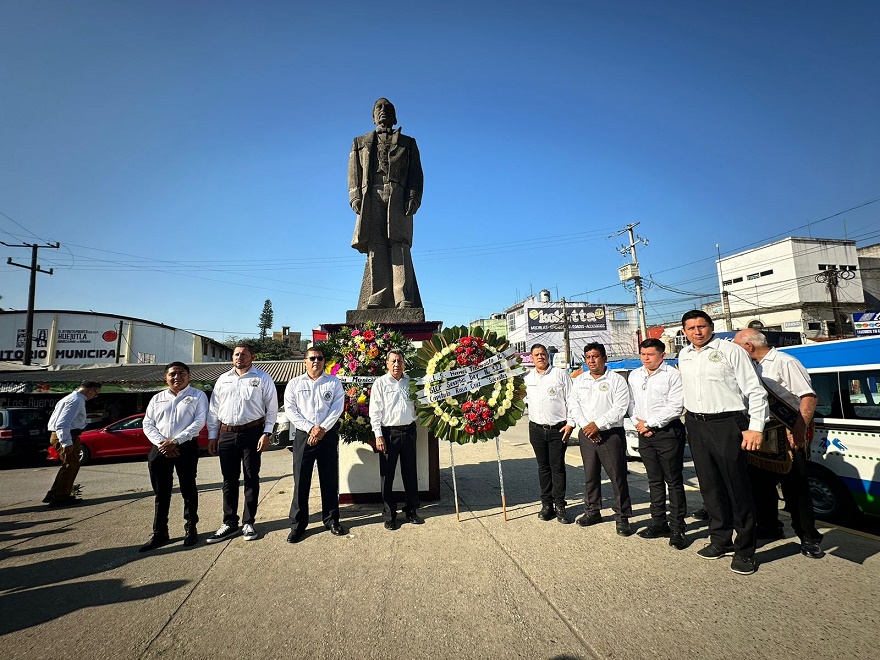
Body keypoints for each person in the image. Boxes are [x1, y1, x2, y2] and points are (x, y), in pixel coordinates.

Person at [678, 311, 768, 575]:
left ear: (711, 327)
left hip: (727, 424)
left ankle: (745, 550)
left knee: (736, 488)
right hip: (696, 424)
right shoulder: (685, 355)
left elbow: (755, 390)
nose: (697, 331)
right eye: (691, 328)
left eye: (701, 326)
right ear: (684, 331)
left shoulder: (731, 351)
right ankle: (719, 540)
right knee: (710, 487)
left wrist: (755, 428)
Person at [733, 329, 824, 559]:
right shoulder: (750, 367)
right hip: (761, 434)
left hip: (787, 433)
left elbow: (808, 396)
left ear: (749, 346)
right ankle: (769, 527)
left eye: (736, 347)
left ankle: (808, 538)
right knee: (760, 488)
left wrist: (799, 429)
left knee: (796, 491)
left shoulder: (785, 362)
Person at [349, 97, 424, 309]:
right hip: (370, 195)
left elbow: (416, 175)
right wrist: (355, 195)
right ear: (373, 116)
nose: (383, 110)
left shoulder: (408, 143)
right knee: (376, 245)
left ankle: (402, 297)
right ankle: (379, 295)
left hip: (398, 195)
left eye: (387, 107)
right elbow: (354, 172)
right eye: (378, 107)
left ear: (394, 116)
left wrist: (413, 196)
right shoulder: (360, 142)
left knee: (399, 244)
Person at [206, 343, 278, 543]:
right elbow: (213, 410)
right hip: (226, 434)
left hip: (252, 433)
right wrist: (213, 435)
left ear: (252, 357)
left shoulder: (262, 378)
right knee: (228, 480)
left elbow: (272, 409)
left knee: (250, 477)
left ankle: (248, 522)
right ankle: (229, 522)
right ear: (232, 357)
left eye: (244, 354)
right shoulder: (223, 380)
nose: (239, 357)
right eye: (236, 354)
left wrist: (267, 433)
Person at [139, 362, 209, 552]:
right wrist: (163, 443)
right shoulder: (157, 398)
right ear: (165, 377)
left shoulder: (198, 396)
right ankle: (160, 533)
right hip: (159, 448)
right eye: (172, 374)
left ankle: (190, 528)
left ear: (189, 376)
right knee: (161, 493)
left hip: (185, 447)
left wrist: (176, 441)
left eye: (181, 373)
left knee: (188, 489)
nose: (177, 377)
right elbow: (148, 424)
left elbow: (199, 422)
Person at [627, 338, 688, 549]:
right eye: (643, 354)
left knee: (673, 480)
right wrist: (639, 424)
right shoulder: (635, 375)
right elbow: (631, 404)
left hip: (667, 433)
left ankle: (678, 527)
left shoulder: (673, 375)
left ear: (662, 355)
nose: (646, 358)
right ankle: (658, 522)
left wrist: (650, 424)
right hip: (644, 434)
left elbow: (675, 407)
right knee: (653, 480)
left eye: (650, 354)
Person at [569, 343, 633, 536]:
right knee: (590, 476)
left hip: (610, 435)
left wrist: (598, 425)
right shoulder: (579, 381)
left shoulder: (616, 380)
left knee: (617, 477)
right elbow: (574, 405)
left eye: (595, 356)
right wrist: (587, 426)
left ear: (604, 358)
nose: (591, 360)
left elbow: (620, 408)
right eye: (588, 357)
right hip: (587, 434)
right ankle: (592, 511)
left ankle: (622, 517)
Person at [284, 346, 347, 543]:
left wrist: (321, 430)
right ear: (305, 361)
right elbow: (291, 410)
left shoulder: (333, 382)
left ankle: (331, 520)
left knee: (329, 479)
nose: (316, 361)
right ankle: (298, 525)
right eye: (312, 358)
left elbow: (337, 407)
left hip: (326, 436)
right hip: (304, 437)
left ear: (323, 361)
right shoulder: (295, 383)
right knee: (301, 481)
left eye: (319, 358)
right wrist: (311, 429)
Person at [370, 349, 424, 530]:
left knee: (410, 473)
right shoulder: (380, 383)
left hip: (408, 432)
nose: (396, 364)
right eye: (393, 361)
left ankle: (411, 510)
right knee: (387, 475)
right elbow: (375, 412)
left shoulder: (411, 383)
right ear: (386, 364)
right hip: (388, 434)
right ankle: (389, 514)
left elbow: (420, 404)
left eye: (399, 361)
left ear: (404, 364)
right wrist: (378, 435)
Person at [523, 344, 574, 524]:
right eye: (536, 355)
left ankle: (560, 505)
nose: (540, 357)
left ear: (547, 356)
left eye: (543, 354)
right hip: (536, 429)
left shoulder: (560, 375)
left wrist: (570, 424)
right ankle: (547, 505)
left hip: (558, 429)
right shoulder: (527, 378)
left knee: (557, 467)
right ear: (532, 358)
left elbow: (571, 399)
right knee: (543, 468)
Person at [43, 381, 101, 506]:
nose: (94, 397)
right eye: (96, 394)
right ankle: (61, 496)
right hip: (66, 435)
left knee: (68, 465)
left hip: (65, 435)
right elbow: (62, 423)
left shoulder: (70, 398)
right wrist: (66, 442)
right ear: (91, 390)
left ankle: (55, 493)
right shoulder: (76, 400)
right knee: (71, 465)